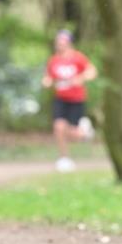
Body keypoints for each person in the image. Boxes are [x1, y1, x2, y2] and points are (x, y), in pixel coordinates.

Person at [42, 30, 96, 172]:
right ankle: (64, 158)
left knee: (74, 134)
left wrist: (81, 78)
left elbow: (92, 71)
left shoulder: (78, 58)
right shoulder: (53, 60)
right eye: (58, 42)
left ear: (69, 43)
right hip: (60, 99)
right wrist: (47, 82)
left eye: (63, 42)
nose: (60, 45)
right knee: (58, 127)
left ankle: (85, 132)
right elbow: (48, 77)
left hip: (77, 99)